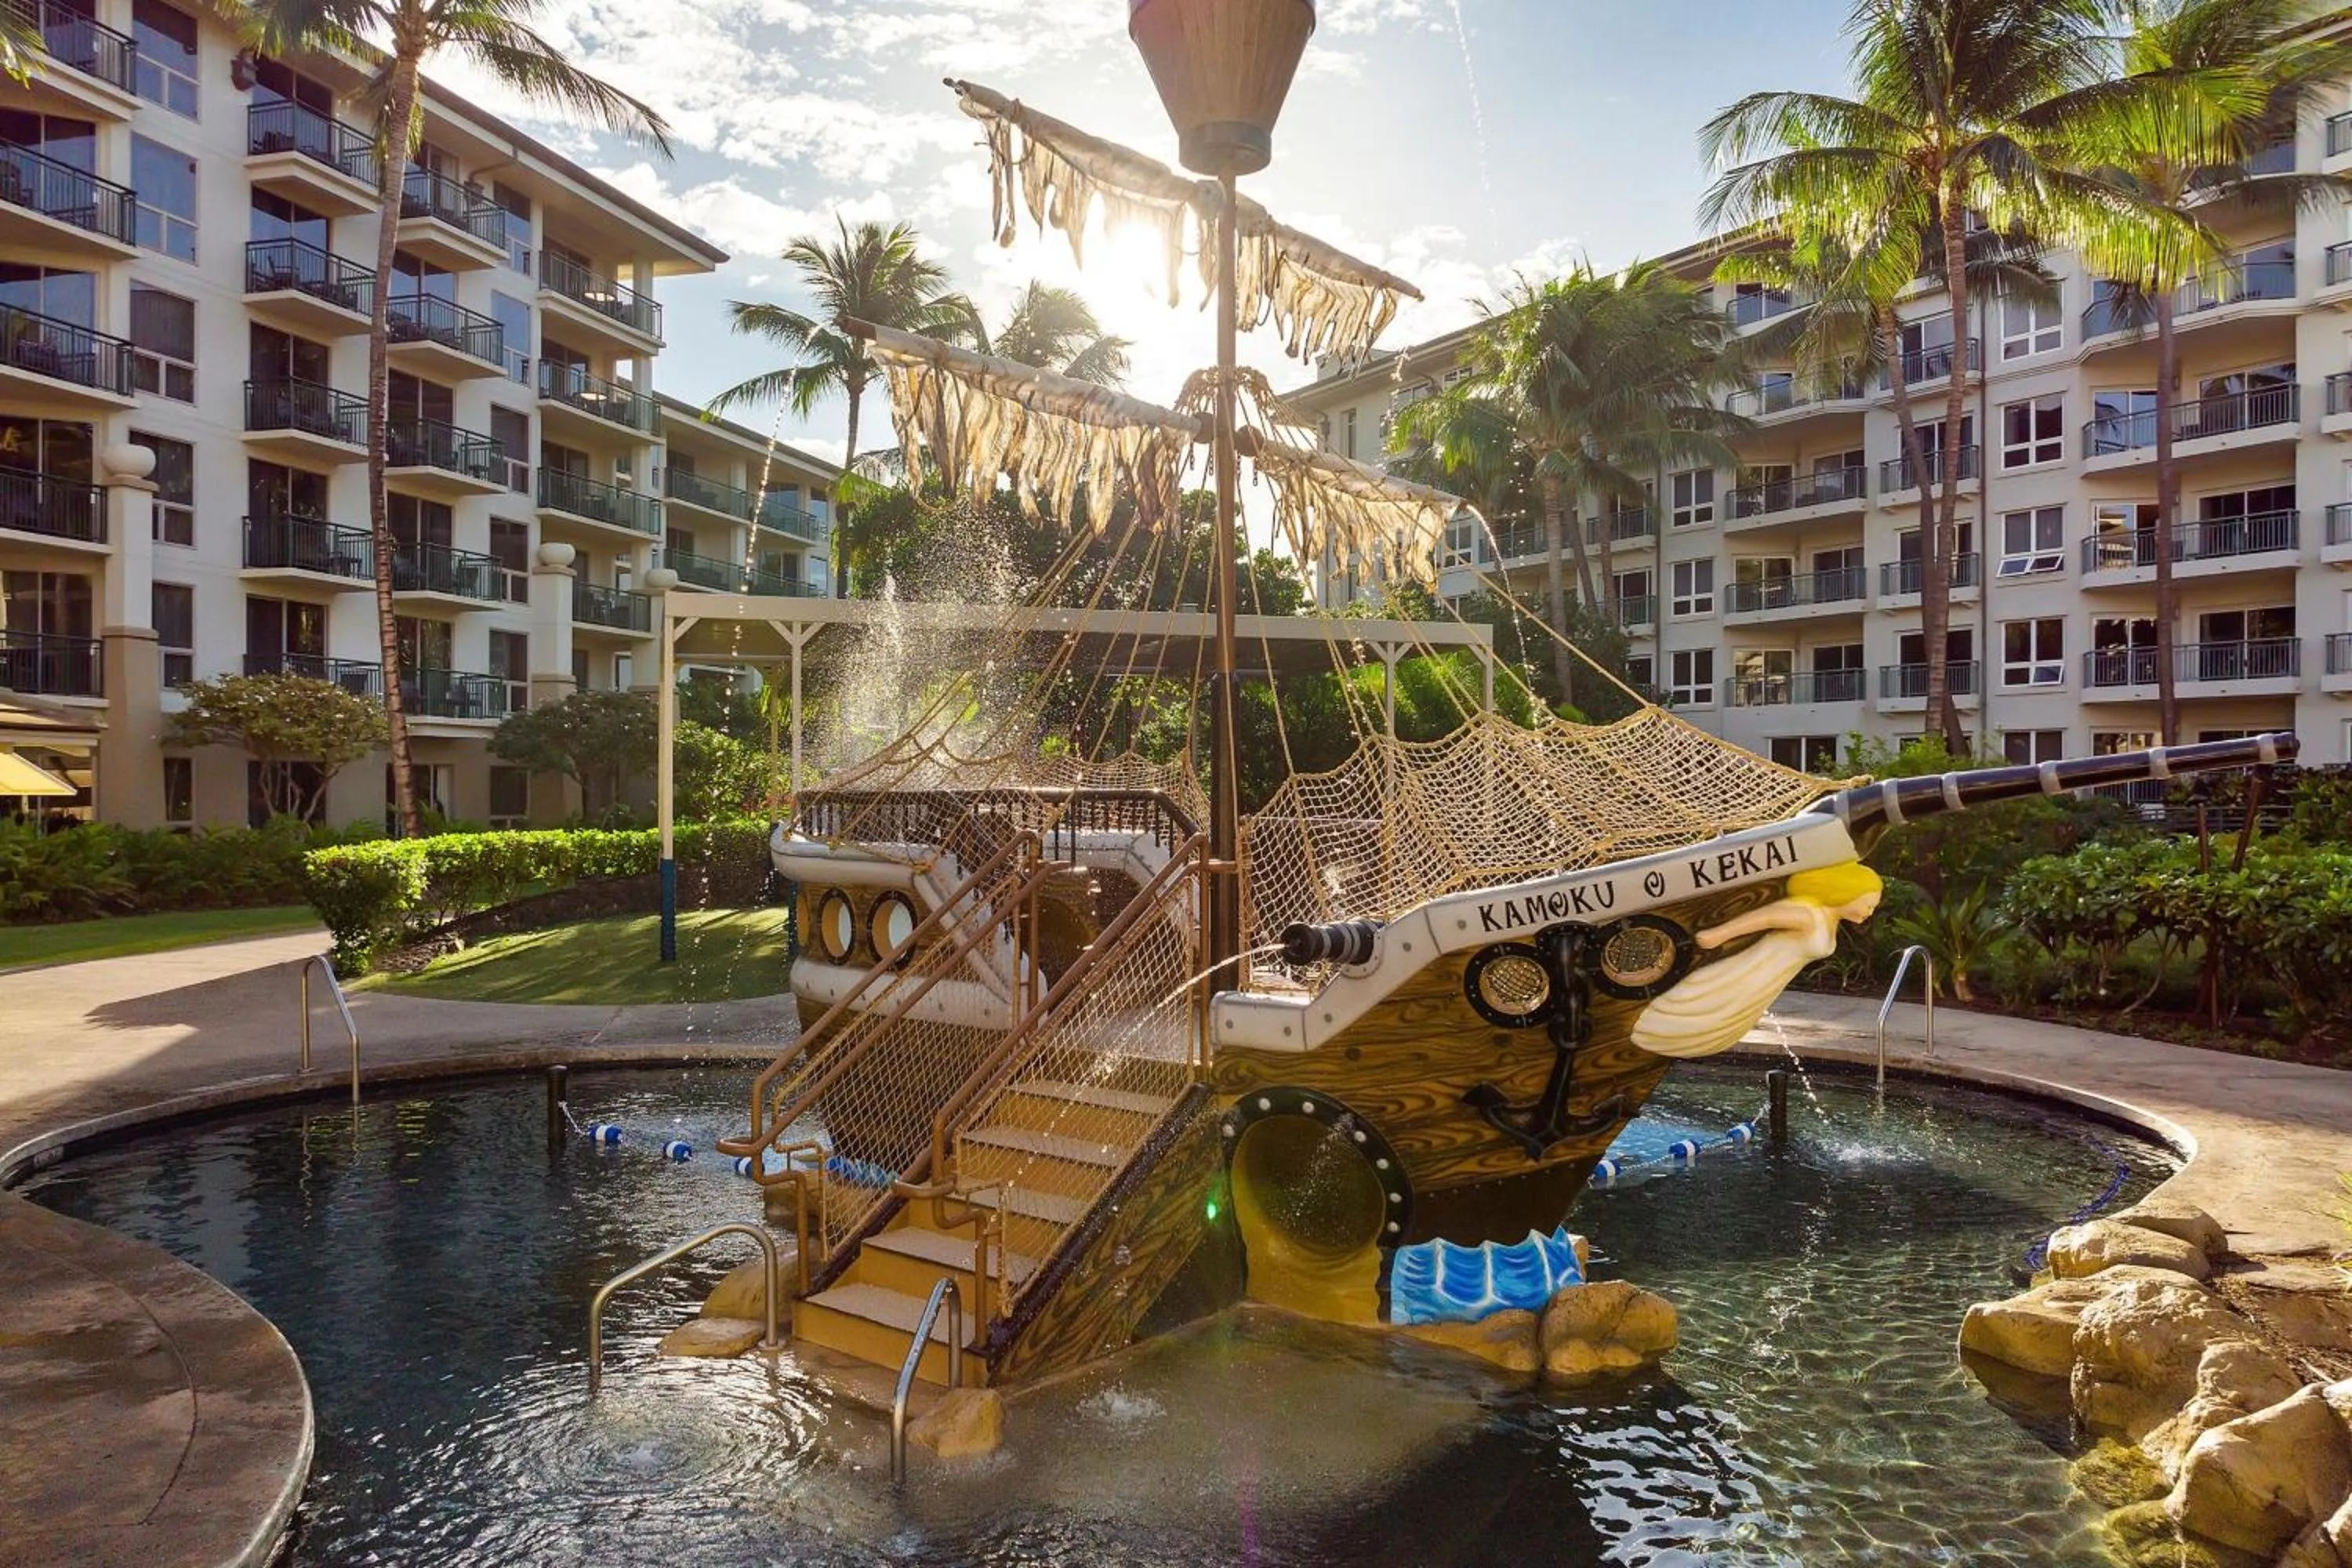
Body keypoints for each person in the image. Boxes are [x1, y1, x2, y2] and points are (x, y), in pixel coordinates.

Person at [1630, 861, 1883, 1060]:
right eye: (1869, 904)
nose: (1870, 912)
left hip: (1765, 983)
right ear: (1848, 893)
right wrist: (1717, 935)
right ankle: (1652, 1032)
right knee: (1706, 1008)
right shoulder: (1806, 914)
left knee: (1723, 1019)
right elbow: (1766, 918)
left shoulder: (1826, 920)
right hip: (1748, 971)